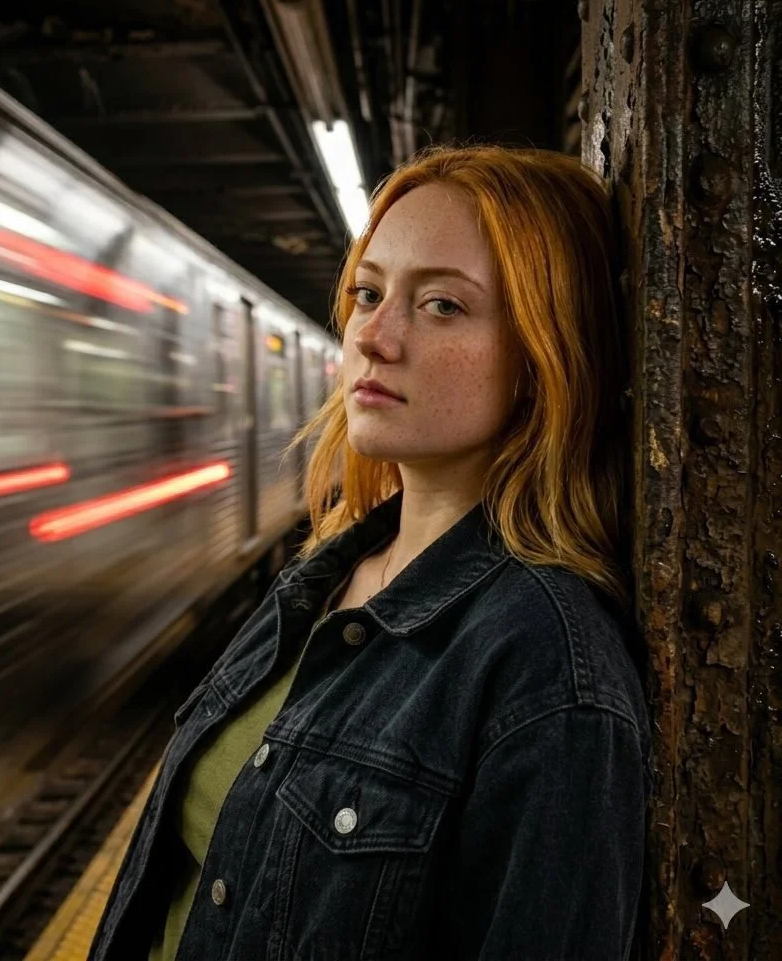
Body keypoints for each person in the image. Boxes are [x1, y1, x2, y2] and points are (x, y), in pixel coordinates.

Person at [87, 145, 654, 961]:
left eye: (444, 307)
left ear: (542, 357)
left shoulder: (548, 673)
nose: (374, 339)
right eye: (368, 293)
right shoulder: (322, 578)